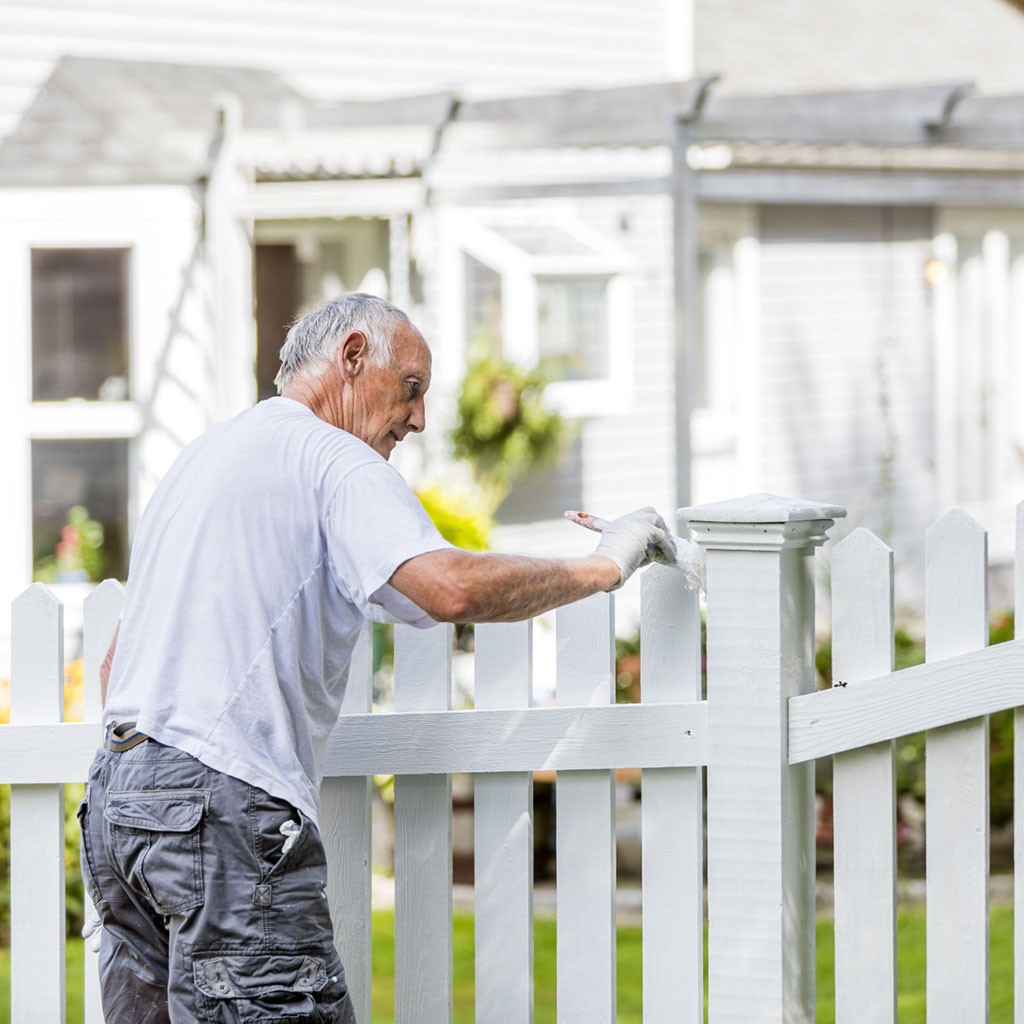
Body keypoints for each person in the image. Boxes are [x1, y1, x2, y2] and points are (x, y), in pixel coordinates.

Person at [81, 293, 673, 1023]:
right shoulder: (332, 455)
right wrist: (604, 569)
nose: (418, 420)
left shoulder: (204, 459)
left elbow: (117, 667)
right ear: (353, 356)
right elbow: (448, 588)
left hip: (119, 802)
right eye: (412, 388)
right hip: (221, 804)